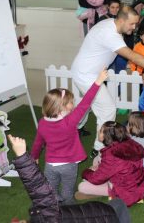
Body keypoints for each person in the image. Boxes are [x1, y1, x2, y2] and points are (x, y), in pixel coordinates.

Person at [70, 5, 144, 157]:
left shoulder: (109, 24)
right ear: (121, 20)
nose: (134, 28)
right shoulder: (110, 34)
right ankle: (100, 148)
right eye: (132, 24)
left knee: (87, 104)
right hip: (86, 75)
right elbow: (133, 56)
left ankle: (71, 127)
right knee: (107, 109)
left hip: (88, 72)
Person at [8, 135, 131, 223]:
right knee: (118, 204)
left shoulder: (41, 216)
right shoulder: (46, 216)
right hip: (103, 213)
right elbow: (38, 188)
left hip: (97, 213)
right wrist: (22, 156)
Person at [30, 69, 108, 205]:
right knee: (67, 193)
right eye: (71, 102)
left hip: (50, 166)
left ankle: (53, 208)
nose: (74, 104)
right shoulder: (70, 121)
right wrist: (98, 82)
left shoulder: (42, 123)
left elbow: (37, 143)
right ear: (62, 107)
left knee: (51, 191)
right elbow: (86, 102)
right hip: (69, 166)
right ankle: (69, 210)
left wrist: (34, 157)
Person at [76, 121, 144, 207]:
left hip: (126, 191)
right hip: (138, 183)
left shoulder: (112, 155)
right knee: (97, 159)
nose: (99, 131)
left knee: (82, 186)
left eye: (100, 131)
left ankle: (106, 191)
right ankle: (100, 181)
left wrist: (86, 172)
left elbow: (96, 179)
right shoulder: (129, 142)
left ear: (106, 136)